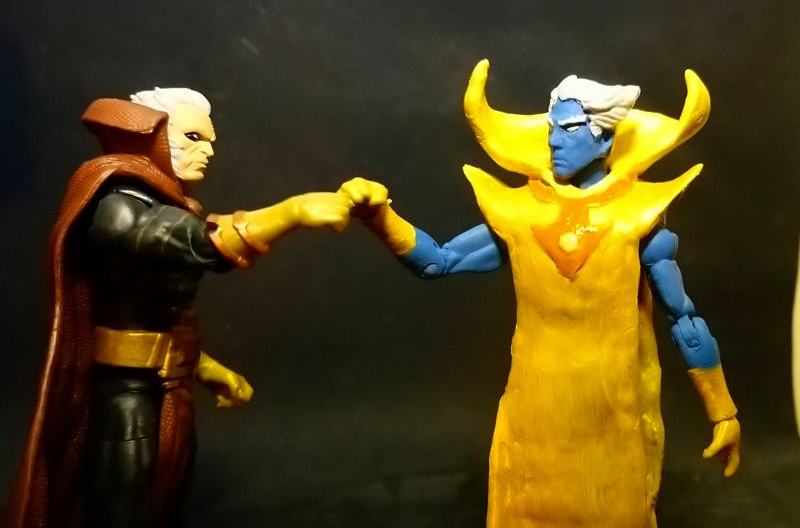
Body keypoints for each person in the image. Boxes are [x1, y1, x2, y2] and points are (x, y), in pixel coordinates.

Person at [340, 60, 741, 528]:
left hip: (610, 412)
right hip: (532, 410)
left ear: (604, 138)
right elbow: (438, 261)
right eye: (552, 129)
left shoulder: (638, 218)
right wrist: (380, 218)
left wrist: (722, 411)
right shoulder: (521, 213)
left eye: (568, 129)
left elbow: (684, 319)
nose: (554, 141)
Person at [4, 88, 352, 528]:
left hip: (166, 381)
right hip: (124, 394)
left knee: (168, 489)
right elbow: (196, 243)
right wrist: (292, 212)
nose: (208, 151)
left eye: (210, 141)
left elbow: (157, 311)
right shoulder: (116, 206)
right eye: (192, 137)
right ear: (149, 136)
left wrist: (205, 368)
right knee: (124, 498)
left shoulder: (167, 205)